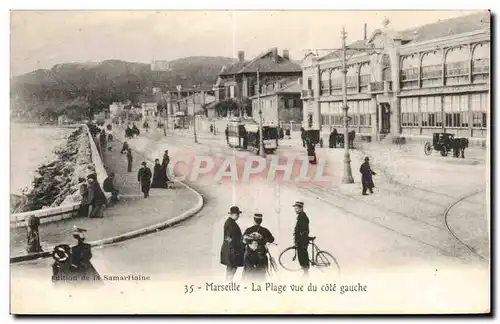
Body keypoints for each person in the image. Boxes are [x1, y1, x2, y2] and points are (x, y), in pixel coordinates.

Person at [242, 214, 275, 280]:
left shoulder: (248, 230)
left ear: (254, 221)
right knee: (261, 275)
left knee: (248, 274)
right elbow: (272, 240)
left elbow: (243, 241)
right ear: (261, 221)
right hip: (261, 255)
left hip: (249, 255)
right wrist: (263, 239)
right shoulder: (265, 230)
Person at [220, 206, 244, 281]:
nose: (238, 216)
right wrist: (236, 246)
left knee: (231, 268)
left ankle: (228, 282)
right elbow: (228, 238)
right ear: (232, 214)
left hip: (230, 250)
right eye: (237, 215)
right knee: (232, 267)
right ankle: (228, 283)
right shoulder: (230, 224)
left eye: (238, 215)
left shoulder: (230, 222)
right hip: (232, 250)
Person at [293, 201, 310, 276]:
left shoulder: (302, 217)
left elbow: (302, 230)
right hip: (301, 239)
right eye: (295, 208)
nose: (295, 210)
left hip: (302, 240)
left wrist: (298, 240)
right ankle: (305, 271)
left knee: (302, 255)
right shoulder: (301, 216)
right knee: (302, 255)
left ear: (301, 208)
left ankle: (306, 272)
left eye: (296, 208)